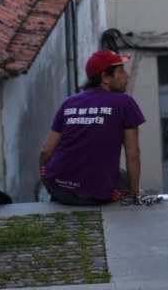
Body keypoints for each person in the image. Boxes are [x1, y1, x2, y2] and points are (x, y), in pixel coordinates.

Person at [39, 49, 146, 205]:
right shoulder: (124, 103)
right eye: (121, 70)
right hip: (96, 195)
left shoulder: (69, 102)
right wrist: (134, 192)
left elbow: (45, 151)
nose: (126, 75)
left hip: (59, 187)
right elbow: (133, 154)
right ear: (105, 78)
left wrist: (47, 180)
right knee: (121, 176)